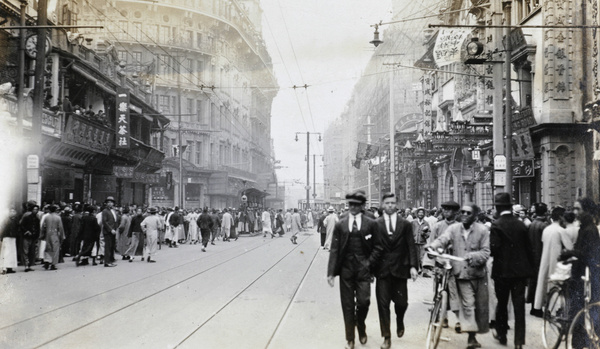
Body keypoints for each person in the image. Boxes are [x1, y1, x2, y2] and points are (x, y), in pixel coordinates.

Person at [429, 204, 490, 349]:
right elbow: (443, 239)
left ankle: (474, 334)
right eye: (462, 212)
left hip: (478, 274)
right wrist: (433, 246)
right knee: (469, 304)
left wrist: (472, 256)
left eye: (468, 213)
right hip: (461, 274)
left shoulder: (483, 231)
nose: (464, 215)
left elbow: (486, 252)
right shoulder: (453, 229)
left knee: (480, 307)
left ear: (475, 216)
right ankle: (471, 337)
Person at [327, 190, 382, 349]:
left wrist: (369, 263)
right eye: (350, 204)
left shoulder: (371, 223)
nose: (353, 207)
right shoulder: (340, 224)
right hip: (346, 270)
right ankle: (350, 338)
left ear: (362, 206)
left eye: (356, 204)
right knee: (347, 304)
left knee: (364, 302)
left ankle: (361, 324)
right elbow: (335, 249)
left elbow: (378, 247)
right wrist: (330, 272)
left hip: (364, 270)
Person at [490, 192, 535, 349]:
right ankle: (519, 342)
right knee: (519, 307)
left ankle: (502, 334)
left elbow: (493, 249)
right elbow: (529, 249)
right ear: (509, 206)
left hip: (502, 272)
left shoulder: (496, 224)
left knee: (502, 304)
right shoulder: (521, 224)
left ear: (497, 207)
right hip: (520, 273)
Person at [374, 193, 418, 349]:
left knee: (402, 303)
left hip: (400, 270)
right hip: (382, 271)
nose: (390, 206)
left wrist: (413, 266)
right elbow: (372, 248)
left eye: (393, 203)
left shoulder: (405, 224)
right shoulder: (376, 224)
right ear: (383, 205)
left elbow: (411, 246)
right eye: (387, 203)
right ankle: (386, 337)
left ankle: (400, 320)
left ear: (397, 204)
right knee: (383, 305)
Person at [562, 198, 600, 349]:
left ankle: (582, 343)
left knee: (581, 311)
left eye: (578, 209)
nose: (575, 212)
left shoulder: (589, 230)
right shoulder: (584, 228)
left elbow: (587, 254)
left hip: (586, 276)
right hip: (582, 274)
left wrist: (570, 253)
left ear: (587, 211)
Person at [532, 206, 573, 315]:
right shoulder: (561, 230)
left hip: (545, 258)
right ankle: (554, 309)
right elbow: (569, 248)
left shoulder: (547, 229)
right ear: (560, 217)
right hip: (557, 260)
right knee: (556, 284)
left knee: (544, 282)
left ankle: (541, 306)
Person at [526, 202, 549, 316]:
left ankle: (533, 307)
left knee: (533, 282)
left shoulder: (532, 224)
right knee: (540, 282)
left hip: (532, 256)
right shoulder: (543, 226)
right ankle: (538, 308)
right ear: (545, 212)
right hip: (540, 256)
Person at [40, 205, 66, 270]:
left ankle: (47, 261)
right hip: (55, 233)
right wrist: (62, 236)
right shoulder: (58, 217)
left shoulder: (46, 217)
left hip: (47, 234)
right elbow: (60, 228)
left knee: (48, 248)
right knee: (55, 249)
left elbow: (43, 227)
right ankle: (53, 264)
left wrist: (42, 234)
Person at [19, 204, 40, 272]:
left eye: (37, 209)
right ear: (31, 209)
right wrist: (26, 231)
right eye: (34, 209)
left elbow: (38, 228)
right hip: (26, 236)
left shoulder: (37, 219)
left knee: (31, 251)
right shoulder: (27, 217)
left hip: (33, 237)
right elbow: (21, 225)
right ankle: (26, 265)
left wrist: (37, 236)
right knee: (26, 251)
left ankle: (29, 265)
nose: (36, 211)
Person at [411, 207, 430, 276]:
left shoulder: (426, 223)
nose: (421, 214)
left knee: (424, 257)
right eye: (419, 212)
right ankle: (416, 270)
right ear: (417, 214)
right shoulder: (413, 222)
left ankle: (425, 272)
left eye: (422, 213)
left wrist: (424, 234)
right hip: (414, 242)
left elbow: (429, 233)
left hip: (422, 243)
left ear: (424, 214)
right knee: (415, 257)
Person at [1, 207, 20, 274]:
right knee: (6, 253)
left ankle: (10, 267)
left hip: (13, 238)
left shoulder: (15, 220)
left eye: (14, 212)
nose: (13, 213)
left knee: (12, 253)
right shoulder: (5, 220)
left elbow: (18, 228)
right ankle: (4, 268)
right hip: (7, 237)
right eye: (11, 211)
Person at [101, 197, 119, 267]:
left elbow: (115, 220)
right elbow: (104, 222)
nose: (110, 203)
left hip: (113, 231)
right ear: (106, 203)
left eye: (111, 202)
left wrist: (115, 229)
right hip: (108, 231)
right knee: (108, 247)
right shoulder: (105, 211)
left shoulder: (113, 211)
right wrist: (110, 229)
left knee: (112, 246)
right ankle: (107, 262)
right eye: (108, 202)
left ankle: (111, 260)